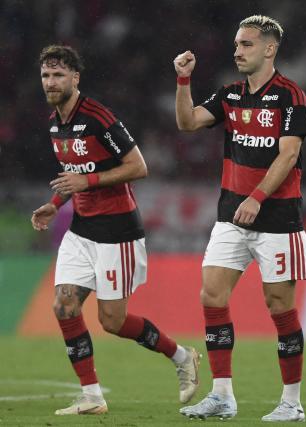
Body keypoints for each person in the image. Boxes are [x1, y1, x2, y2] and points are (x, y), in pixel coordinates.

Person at [31, 45, 200, 415]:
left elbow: (138, 166)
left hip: (117, 233)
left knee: (113, 321)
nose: (51, 82)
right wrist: (54, 204)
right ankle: (91, 395)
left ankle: (182, 355)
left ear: (75, 78)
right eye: (46, 75)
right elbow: (72, 177)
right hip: (81, 231)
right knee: (64, 306)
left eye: (58, 75)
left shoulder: (97, 117)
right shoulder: (54, 123)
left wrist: (87, 182)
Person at [173, 15, 306, 422]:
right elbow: (188, 123)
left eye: (247, 44)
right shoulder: (230, 95)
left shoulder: (290, 95)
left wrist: (258, 196)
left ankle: (291, 402)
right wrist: (183, 81)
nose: (238, 51)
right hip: (231, 216)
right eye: (236, 44)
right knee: (211, 295)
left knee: (279, 306)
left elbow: (288, 154)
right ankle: (222, 395)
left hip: (278, 219)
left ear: (269, 49)